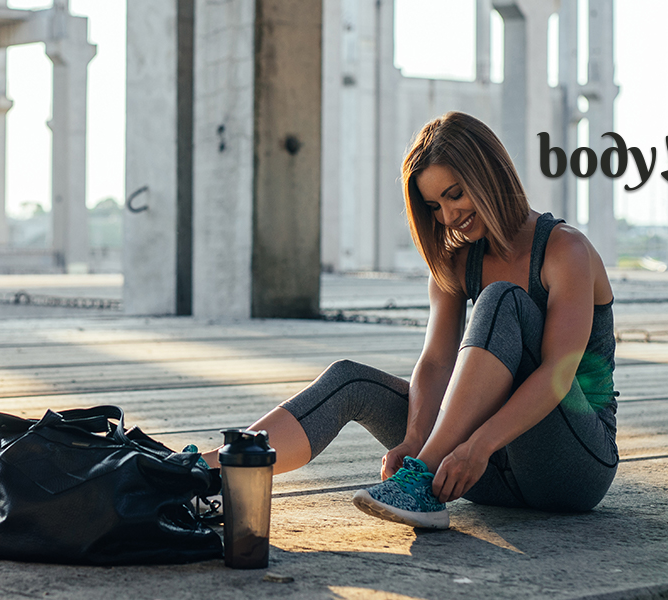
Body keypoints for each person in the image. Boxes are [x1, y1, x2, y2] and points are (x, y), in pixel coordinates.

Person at [201, 111, 619, 529]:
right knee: (350, 381)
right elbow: (437, 362)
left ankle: (419, 479)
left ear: (490, 174)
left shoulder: (566, 251)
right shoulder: (457, 261)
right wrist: (415, 436)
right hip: (480, 473)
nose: (449, 216)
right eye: (435, 206)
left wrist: (475, 446)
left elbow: (556, 375)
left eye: (455, 194)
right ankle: (206, 474)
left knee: (501, 299)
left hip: (571, 469)